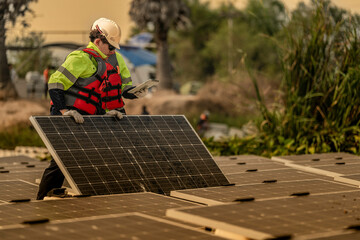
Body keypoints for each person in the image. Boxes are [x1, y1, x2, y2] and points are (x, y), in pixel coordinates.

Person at [37, 17, 147, 200]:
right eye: (110, 47)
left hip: (93, 116)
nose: (113, 51)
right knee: (61, 159)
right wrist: (65, 111)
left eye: (114, 47)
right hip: (68, 114)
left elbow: (122, 87)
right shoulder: (80, 58)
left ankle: (81, 198)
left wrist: (134, 93)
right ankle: (41, 199)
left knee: (90, 158)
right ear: (97, 42)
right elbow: (55, 83)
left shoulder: (116, 59)